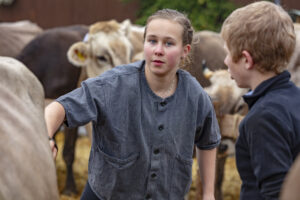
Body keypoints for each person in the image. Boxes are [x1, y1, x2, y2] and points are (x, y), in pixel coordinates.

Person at [45, 9, 220, 200]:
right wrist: (47, 137)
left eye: (168, 43)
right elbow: (60, 107)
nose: (158, 50)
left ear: (184, 51)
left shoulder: (195, 95)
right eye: (152, 41)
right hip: (107, 195)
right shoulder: (113, 84)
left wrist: (209, 194)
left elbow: (208, 141)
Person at [220, 1, 300, 200]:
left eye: (228, 53)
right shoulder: (295, 98)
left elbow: (277, 192)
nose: (225, 61)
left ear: (246, 60)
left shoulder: (263, 117)